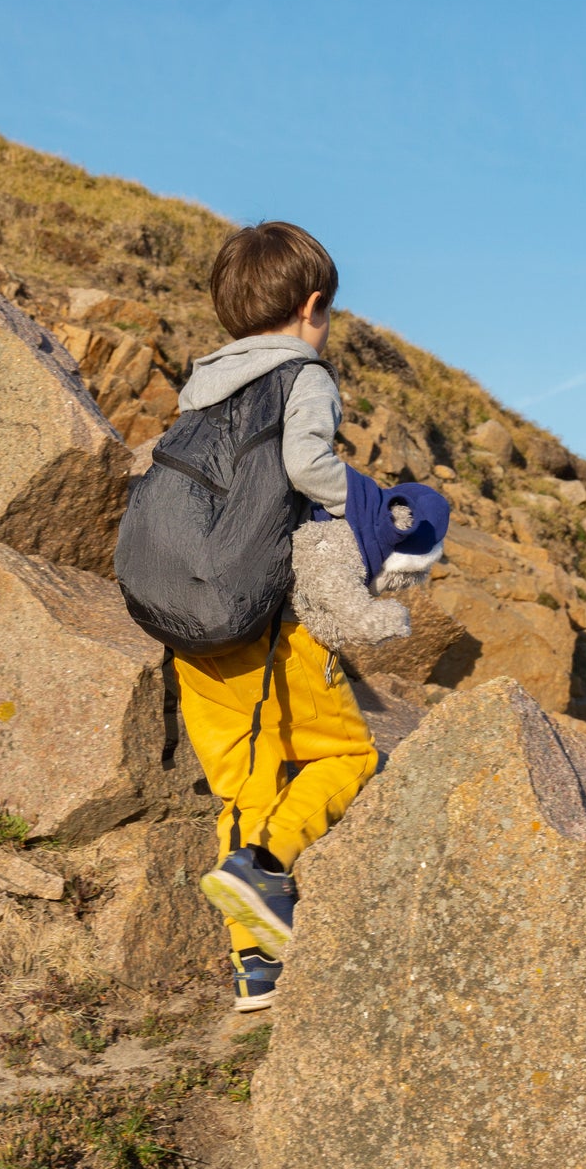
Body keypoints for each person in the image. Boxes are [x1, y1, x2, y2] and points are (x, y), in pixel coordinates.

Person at [169, 222, 422, 1012]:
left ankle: (258, 965)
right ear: (313, 306)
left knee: (245, 782)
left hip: (191, 618)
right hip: (270, 616)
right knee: (345, 753)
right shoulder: (302, 376)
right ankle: (268, 863)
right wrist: (377, 509)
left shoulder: (200, 387)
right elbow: (308, 466)